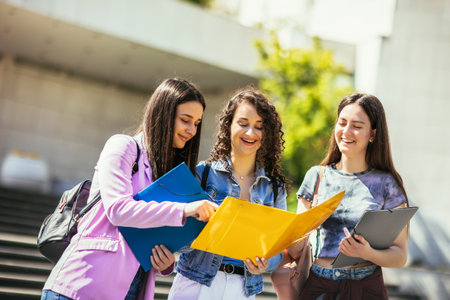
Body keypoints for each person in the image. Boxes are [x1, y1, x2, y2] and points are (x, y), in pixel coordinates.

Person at [41, 78, 218, 300]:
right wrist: (183, 210)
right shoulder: (123, 146)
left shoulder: (168, 172)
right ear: (163, 114)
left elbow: (152, 235)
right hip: (83, 285)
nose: (192, 130)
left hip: (132, 289)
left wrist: (165, 263)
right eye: (185, 120)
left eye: (197, 123)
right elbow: (118, 210)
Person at [168, 88, 288, 299]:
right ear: (229, 125)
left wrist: (266, 262)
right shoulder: (203, 173)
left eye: (259, 127)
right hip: (196, 283)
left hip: (242, 289)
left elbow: (279, 249)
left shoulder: (274, 187)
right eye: (243, 123)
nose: (250, 133)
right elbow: (179, 239)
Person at [294, 93, 409, 299]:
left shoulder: (387, 183)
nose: (346, 131)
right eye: (342, 123)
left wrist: (367, 253)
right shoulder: (316, 176)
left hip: (366, 288)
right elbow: (296, 243)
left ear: (372, 134)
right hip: (320, 286)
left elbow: (400, 256)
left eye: (356, 126)